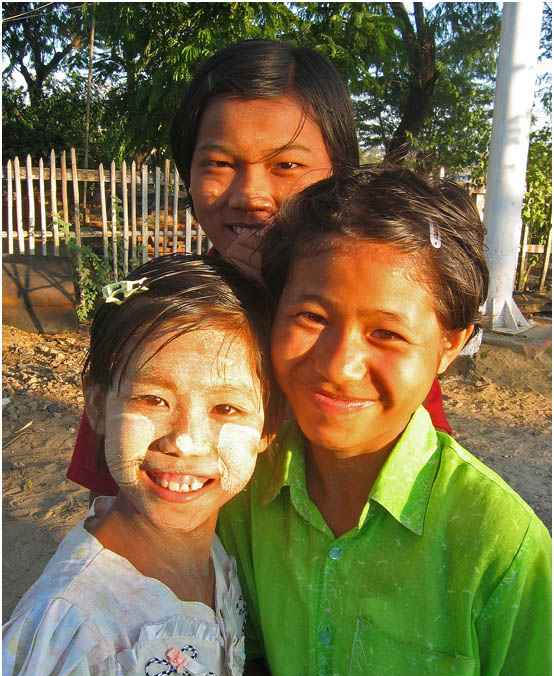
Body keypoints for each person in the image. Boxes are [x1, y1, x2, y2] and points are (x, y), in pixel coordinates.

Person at [217, 165, 552, 676]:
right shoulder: (245, 495)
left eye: (387, 334)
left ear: (450, 345)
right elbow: (242, 662)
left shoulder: (503, 549)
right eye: (311, 317)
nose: (337, 366)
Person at [67, 39, 451, 500]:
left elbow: (423, 480)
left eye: (286, 164)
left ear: (340, 171)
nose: (251, 194)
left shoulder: (377, 324)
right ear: (187, 171)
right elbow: (107, 496)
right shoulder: (156, 312)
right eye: (220, 163)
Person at [3, 254, 281, 676]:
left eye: (226, 408)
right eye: (152, 399)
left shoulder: (216, 554)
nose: (185, 441)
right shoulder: (73, 630)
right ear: (97, 404)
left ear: (269, 428)